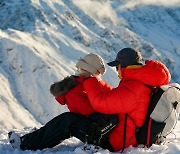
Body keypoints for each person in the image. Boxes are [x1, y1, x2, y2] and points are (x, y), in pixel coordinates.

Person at [8, 53, 118, 151]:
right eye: (97, 73)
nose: (98, 76)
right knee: (68, 120)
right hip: (101, 129)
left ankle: (31, 140)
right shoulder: (80, 87)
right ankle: (31, 140)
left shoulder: (86, 83)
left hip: (103, 131)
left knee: (67, 121)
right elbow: (86, 109)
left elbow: (97, 103)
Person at [83, 48, 171, 151]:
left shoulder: (132, 87)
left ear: (123, 65)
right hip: (127, 137)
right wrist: (99, 81)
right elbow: (117, 96)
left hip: (119, 142)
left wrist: (88, 79)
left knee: (71, 120)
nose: (116, 70)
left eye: (117, 66)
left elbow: (99, 103)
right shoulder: (139, 83)